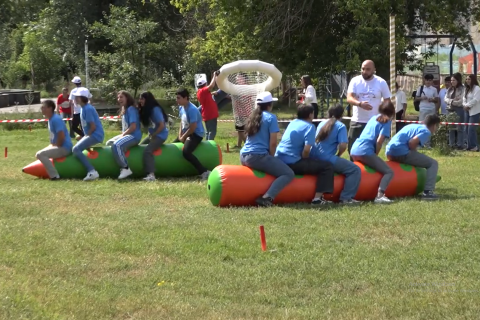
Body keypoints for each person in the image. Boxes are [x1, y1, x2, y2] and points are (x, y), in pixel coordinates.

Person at [240, 92, 294, 207]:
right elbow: (273, 143)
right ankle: (267, 197)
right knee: (288, 173)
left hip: (243, 155)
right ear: (270, 105)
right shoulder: (271, 118)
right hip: (257, 156)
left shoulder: (252, 116)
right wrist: (271, 157)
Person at [276, 104, 335, 205]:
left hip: (279, 159)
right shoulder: (309, 127)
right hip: (292, 162)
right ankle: (317, 199)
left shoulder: (293, 122)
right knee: (327, 166)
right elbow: (306, 150)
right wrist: (306, 159)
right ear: (310, 114)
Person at [312, 104, 361, 204]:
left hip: (314, 157)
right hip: (327, 158)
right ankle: (346, 198)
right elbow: (343, 145)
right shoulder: (341, 126)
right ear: (341, 115)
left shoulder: (321, 123)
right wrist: (339, 155)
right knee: (354, 169)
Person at [386, 114, 441, 200]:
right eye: (437, 126)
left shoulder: (413, 126)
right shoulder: (426, 131)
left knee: (416, 158)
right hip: (401, 152)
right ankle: (428, 192)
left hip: (389, 152)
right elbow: (412, 142)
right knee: (433, 163)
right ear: (434, 125)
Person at [350, 101, 395, 203]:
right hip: (365, 151)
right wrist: (375, 154)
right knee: (389, 171)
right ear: (392, 111)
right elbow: (379, 142)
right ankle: (380, 196)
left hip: (354, 149)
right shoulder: (386, 121)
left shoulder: (373, 118)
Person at [346, 60, 391, 156]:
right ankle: (354, 169)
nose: (364, 71)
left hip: (373, 123)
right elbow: (349, 98)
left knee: (371, 151)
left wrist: (384, 115)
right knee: (352, 150)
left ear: (374, 70)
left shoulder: (381, 82)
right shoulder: (355, 81)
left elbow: (387, 101)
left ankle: (369, 170)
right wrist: (359, 104)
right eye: (362, 69)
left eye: (368, 69)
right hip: (357, 121)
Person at [173, 88, 211, 180]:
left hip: (196, 134)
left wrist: (184, 137)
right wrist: (180, 136)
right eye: (176, 98)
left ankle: (204, 172)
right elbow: (182, 122)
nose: (177, 100)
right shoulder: (181, 107)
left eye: (178, 98)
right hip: (187, 132)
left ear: (186, 98)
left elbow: (193, 127)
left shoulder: (192, 109)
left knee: (186, 152)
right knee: (173, 145)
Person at [107, 91, 143, 179]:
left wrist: (122, 135)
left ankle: (125, 168)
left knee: (116, 145)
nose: (119, 99)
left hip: (134, 136)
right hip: (128, 135)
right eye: (118, 97)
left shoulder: (131, 109)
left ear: (127, 98)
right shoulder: (125, 109)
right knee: (109, 143)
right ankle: (122, 156)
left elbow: (133, 127)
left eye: (121, 97)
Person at [71, 88, 105, 181]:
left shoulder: (88, 109)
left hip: (96, 135)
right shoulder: (83, 108)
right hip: (93, 134)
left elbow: (93, 127)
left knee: (76, 149)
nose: (75, 99)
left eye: (77, 97)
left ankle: (92, 171)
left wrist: (85, 137)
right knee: (78, 146)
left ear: (82, 98)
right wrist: (83, 137)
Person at [35, 100, 73, 180]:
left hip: (64, 147)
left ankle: (54, 176)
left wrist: (56, 145)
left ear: (50, 108)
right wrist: (52, 146)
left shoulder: (56, 119)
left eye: (43, 107)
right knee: (38, 155)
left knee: (40, 154)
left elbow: (61, 136)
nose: (42, 109)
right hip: (58, 145)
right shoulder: (51, 119)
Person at [138, 91, 169, 181]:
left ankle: (151, 175)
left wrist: (154, 134)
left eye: (142, 99)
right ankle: (144, 170)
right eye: (140, 99)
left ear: (147, 100)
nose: (140, 101)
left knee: (148, 151)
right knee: (140, 146)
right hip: (153, 135)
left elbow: (162, 125)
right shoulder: (148, 109)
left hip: (161, 135)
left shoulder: (155, 109)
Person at [445, 73, 465, 149]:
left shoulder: (463, 89)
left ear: (458, 80)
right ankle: (451, 144)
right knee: (451, 128)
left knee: (459, 128)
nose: (452, 82)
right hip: (450, 109)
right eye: (451, 80)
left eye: (454, 80)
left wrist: (451, 102)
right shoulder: (449, 89)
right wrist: (452, 101)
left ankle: (460, 144)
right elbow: (445, 99)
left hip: (459, 109)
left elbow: (461, 101)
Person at [196, 73, 219, 140]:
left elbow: (206, 96)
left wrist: (212, 93)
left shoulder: (200, 92)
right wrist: (214, 75)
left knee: (208, 132)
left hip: (207, 114)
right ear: (205, 84)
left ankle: (207, 145)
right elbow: (211, 85)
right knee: (212, 132)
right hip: (210, 114)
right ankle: (210, 146)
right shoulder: (203, 90)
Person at [463, 74, 480, 152]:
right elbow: (464, 98)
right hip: (467, 111)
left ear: (473, 80)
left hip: (475, 111)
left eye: (469, 79)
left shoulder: (477, 88)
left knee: (471, 129)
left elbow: (476, 99)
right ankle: (469, 146)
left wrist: (468, 105)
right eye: (466, 79)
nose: (467, 81)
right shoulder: (466, 89)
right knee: (466, 129)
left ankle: (474, 146)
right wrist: (465, 105)